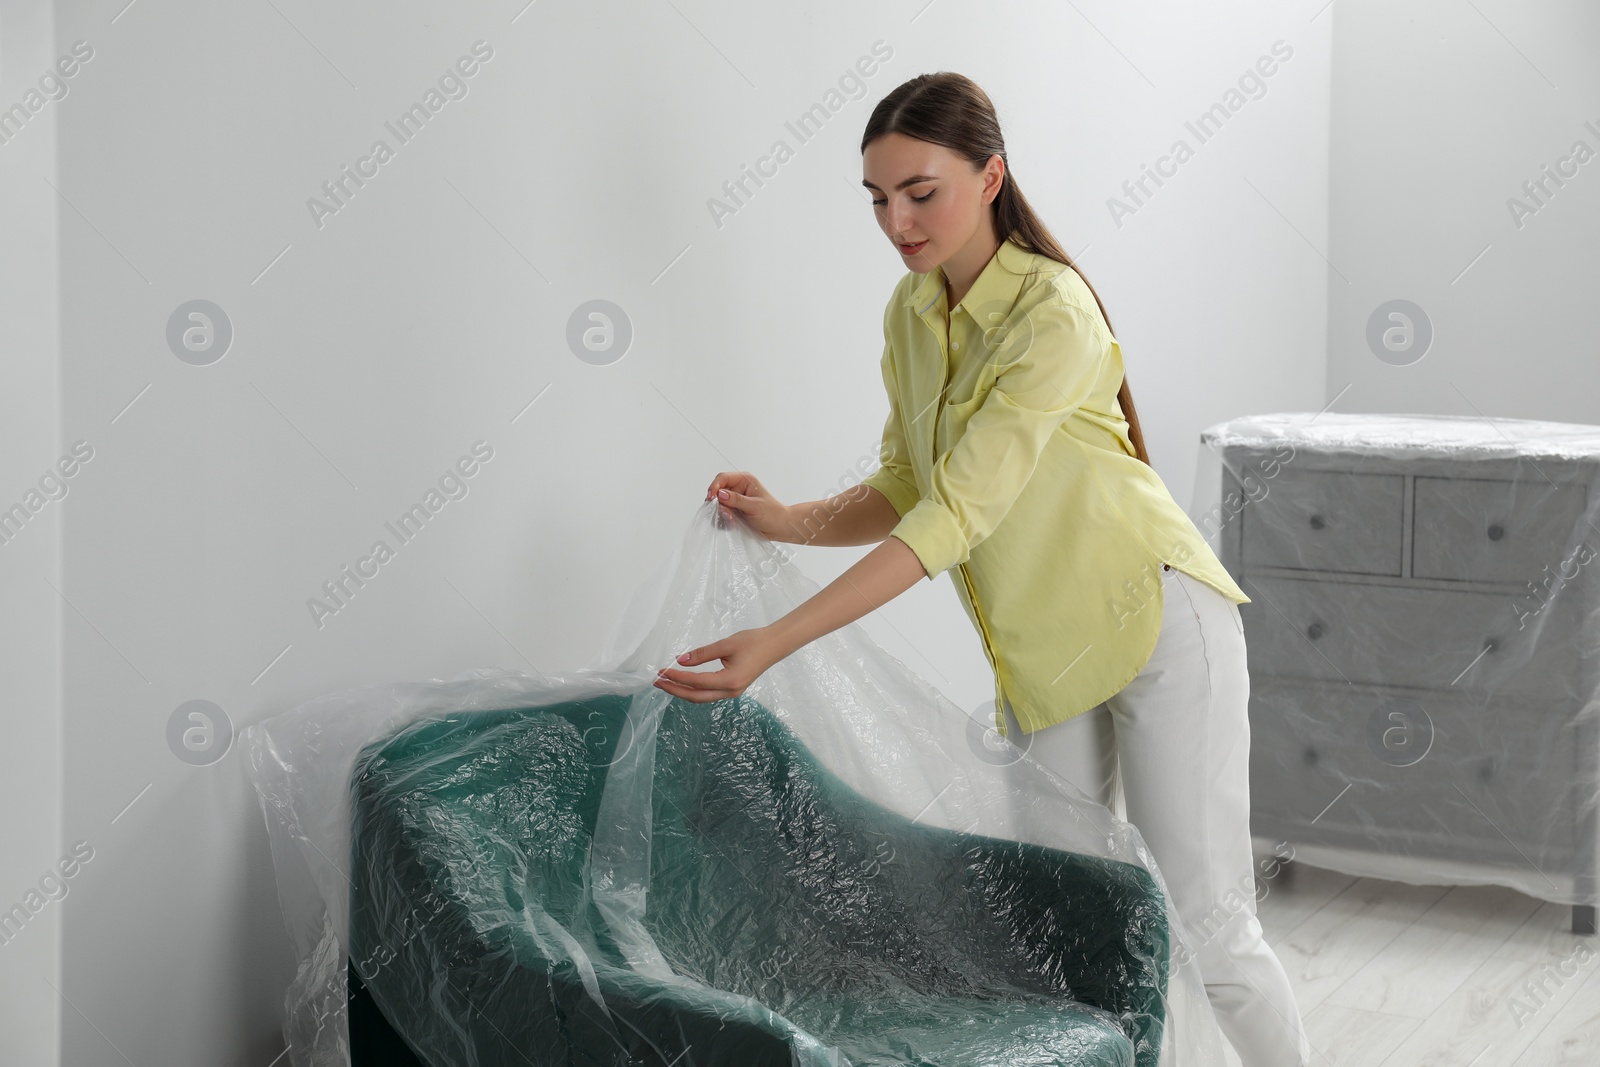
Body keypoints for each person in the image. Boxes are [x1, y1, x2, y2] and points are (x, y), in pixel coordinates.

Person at [652, 71, 1311, 1067]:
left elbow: (953, 515)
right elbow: (905, 482)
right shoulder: (910, 316)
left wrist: (776, 642)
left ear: (990, 174)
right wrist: (782, 517)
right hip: (1044, 655)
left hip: (1159, 622)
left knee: (1209, 930)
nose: (897, 220)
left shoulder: (1051, 312)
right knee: (1072, 924)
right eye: (877, 199)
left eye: (921, 191)